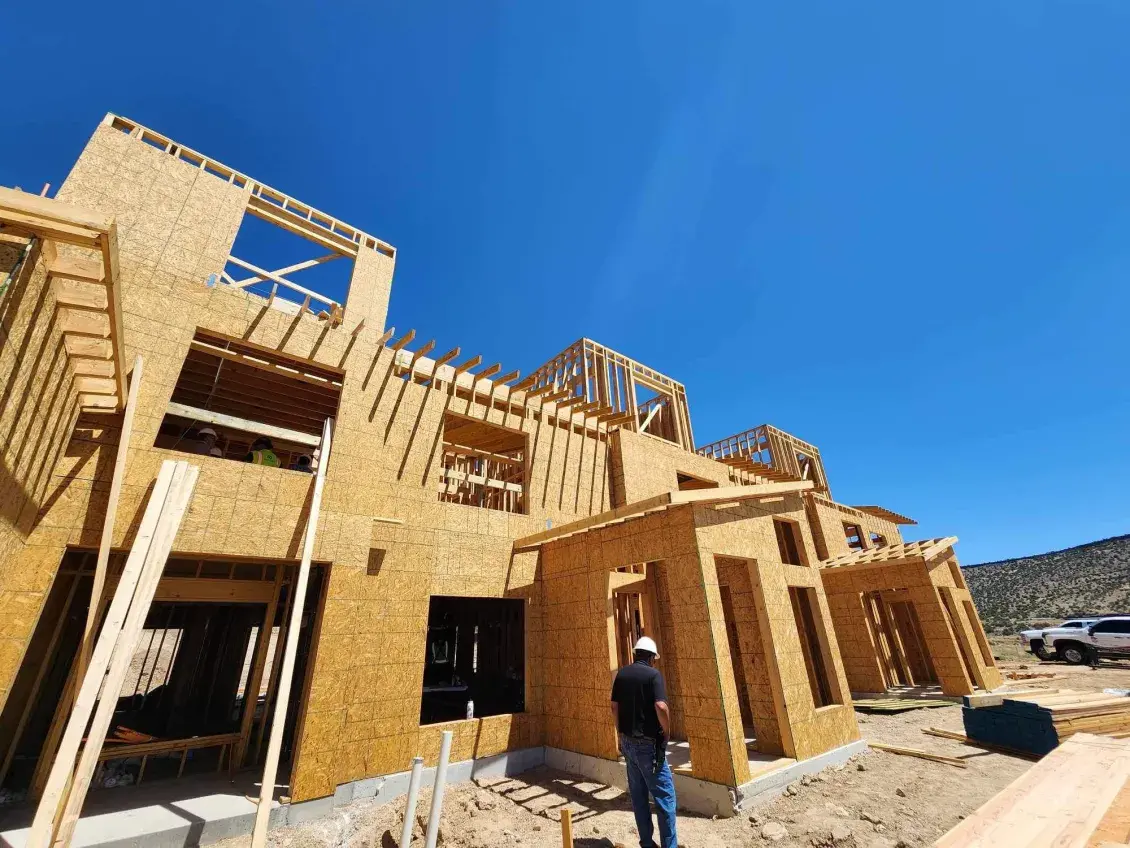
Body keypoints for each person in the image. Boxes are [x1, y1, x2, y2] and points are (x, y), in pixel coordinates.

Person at [611, 636, 677, 848]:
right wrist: (666, 731)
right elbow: (661, 706)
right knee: (665, 797)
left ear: (636, 654)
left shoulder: (622, 674)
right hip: (648, 746)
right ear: (651, 657)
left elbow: (614, 706)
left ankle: (647, 843)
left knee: (639, 796)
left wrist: (620, 732)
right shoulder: (653, 675)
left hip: (628, 743)